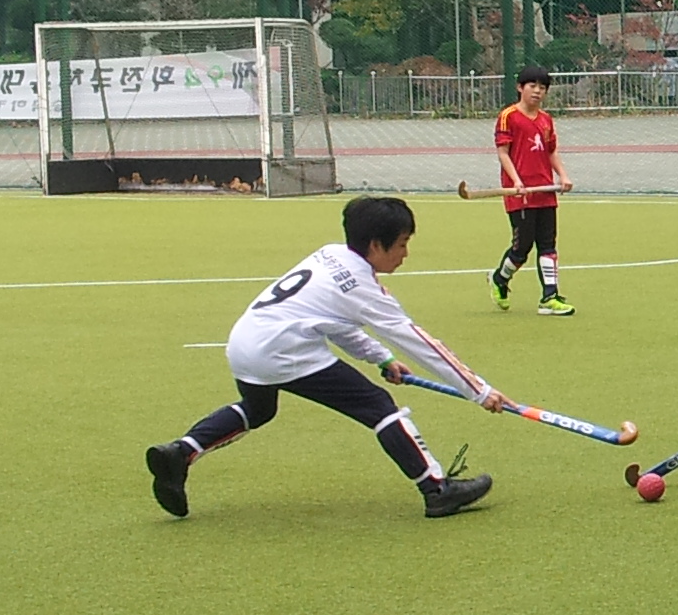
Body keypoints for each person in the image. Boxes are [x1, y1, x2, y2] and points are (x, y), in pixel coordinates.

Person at [148, 195, 503, 519]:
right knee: (378, 406)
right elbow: (420, 343)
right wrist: (479, 391)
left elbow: (336, 324)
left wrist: (382, 359)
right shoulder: (361, 286)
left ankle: (181, 452)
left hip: (245, 341)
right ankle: (436, 490)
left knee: (258, 409)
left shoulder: (331, 253)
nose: (405, 254)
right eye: (401, 244)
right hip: (282, 349)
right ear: (375, 245)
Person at [488, 64, 572, 316]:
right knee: (521, 248)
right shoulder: (509, 117)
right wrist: (516, 182)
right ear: (520, 87)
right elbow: (503, 153)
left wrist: (563, 176)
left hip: (545, 191)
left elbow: (551, 151)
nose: (537, 91)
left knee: (547, 245)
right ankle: (500, 279)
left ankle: (549, 296)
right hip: (520, 195)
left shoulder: (546, 120)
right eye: (532, 86)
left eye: (542, 88)